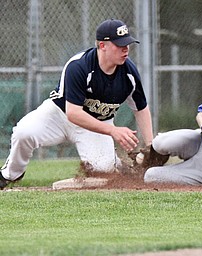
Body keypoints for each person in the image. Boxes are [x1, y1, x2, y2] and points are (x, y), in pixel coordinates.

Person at [0, 19, 153, 189]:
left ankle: (115, 163)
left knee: (102, 171)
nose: (126, 49)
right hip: (59, 115)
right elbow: (73, 113)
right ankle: (9, 174)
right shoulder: (79, 66)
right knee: (24, 133)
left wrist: (151, 147)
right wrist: (113, 131)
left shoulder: (129, 73)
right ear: (102, 45)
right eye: (119, 44)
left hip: (96, 125)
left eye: (128, 44)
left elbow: (141, 108)